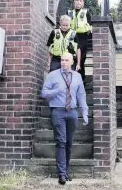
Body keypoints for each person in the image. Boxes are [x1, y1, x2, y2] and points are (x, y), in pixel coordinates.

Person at [41, 52, 88, 185]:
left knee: (69, 143)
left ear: (72, 62)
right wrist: (56, 91)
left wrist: (84, 112)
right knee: (61, 141)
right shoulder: (52, 75)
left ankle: (66, 170)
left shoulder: (77, 77)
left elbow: (82, 96)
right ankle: (61, 174)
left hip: (72, 112)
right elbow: (44, 93)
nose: (63, 62)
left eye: (66, 60)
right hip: (58, 111)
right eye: (62, 60)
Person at [68, 0, 92, 83]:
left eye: (80, 0)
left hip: (82, 37)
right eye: (77, 0)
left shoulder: (86, 12)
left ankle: (81, 79)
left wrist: (86, 31)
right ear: (74, 2)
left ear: (83, 3)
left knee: (81, 59)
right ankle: (72, 79)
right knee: (72, 58)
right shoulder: (69, 12)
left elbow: (90, 25)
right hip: (72, 37)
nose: (78, 2)